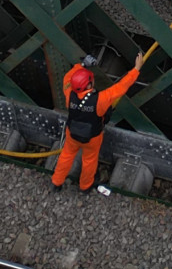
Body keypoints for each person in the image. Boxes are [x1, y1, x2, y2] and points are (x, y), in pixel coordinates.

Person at [51, 55, 143, 189]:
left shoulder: (68, 93)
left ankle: (56, 182)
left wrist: (81, 65)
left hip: (72, 133)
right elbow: (121, 87)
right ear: (88, 84)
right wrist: (136, 69)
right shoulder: (100, 99)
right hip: (92, 137)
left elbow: (67, 78)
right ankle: (85, 186)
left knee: (66, 156)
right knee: (89, 161)